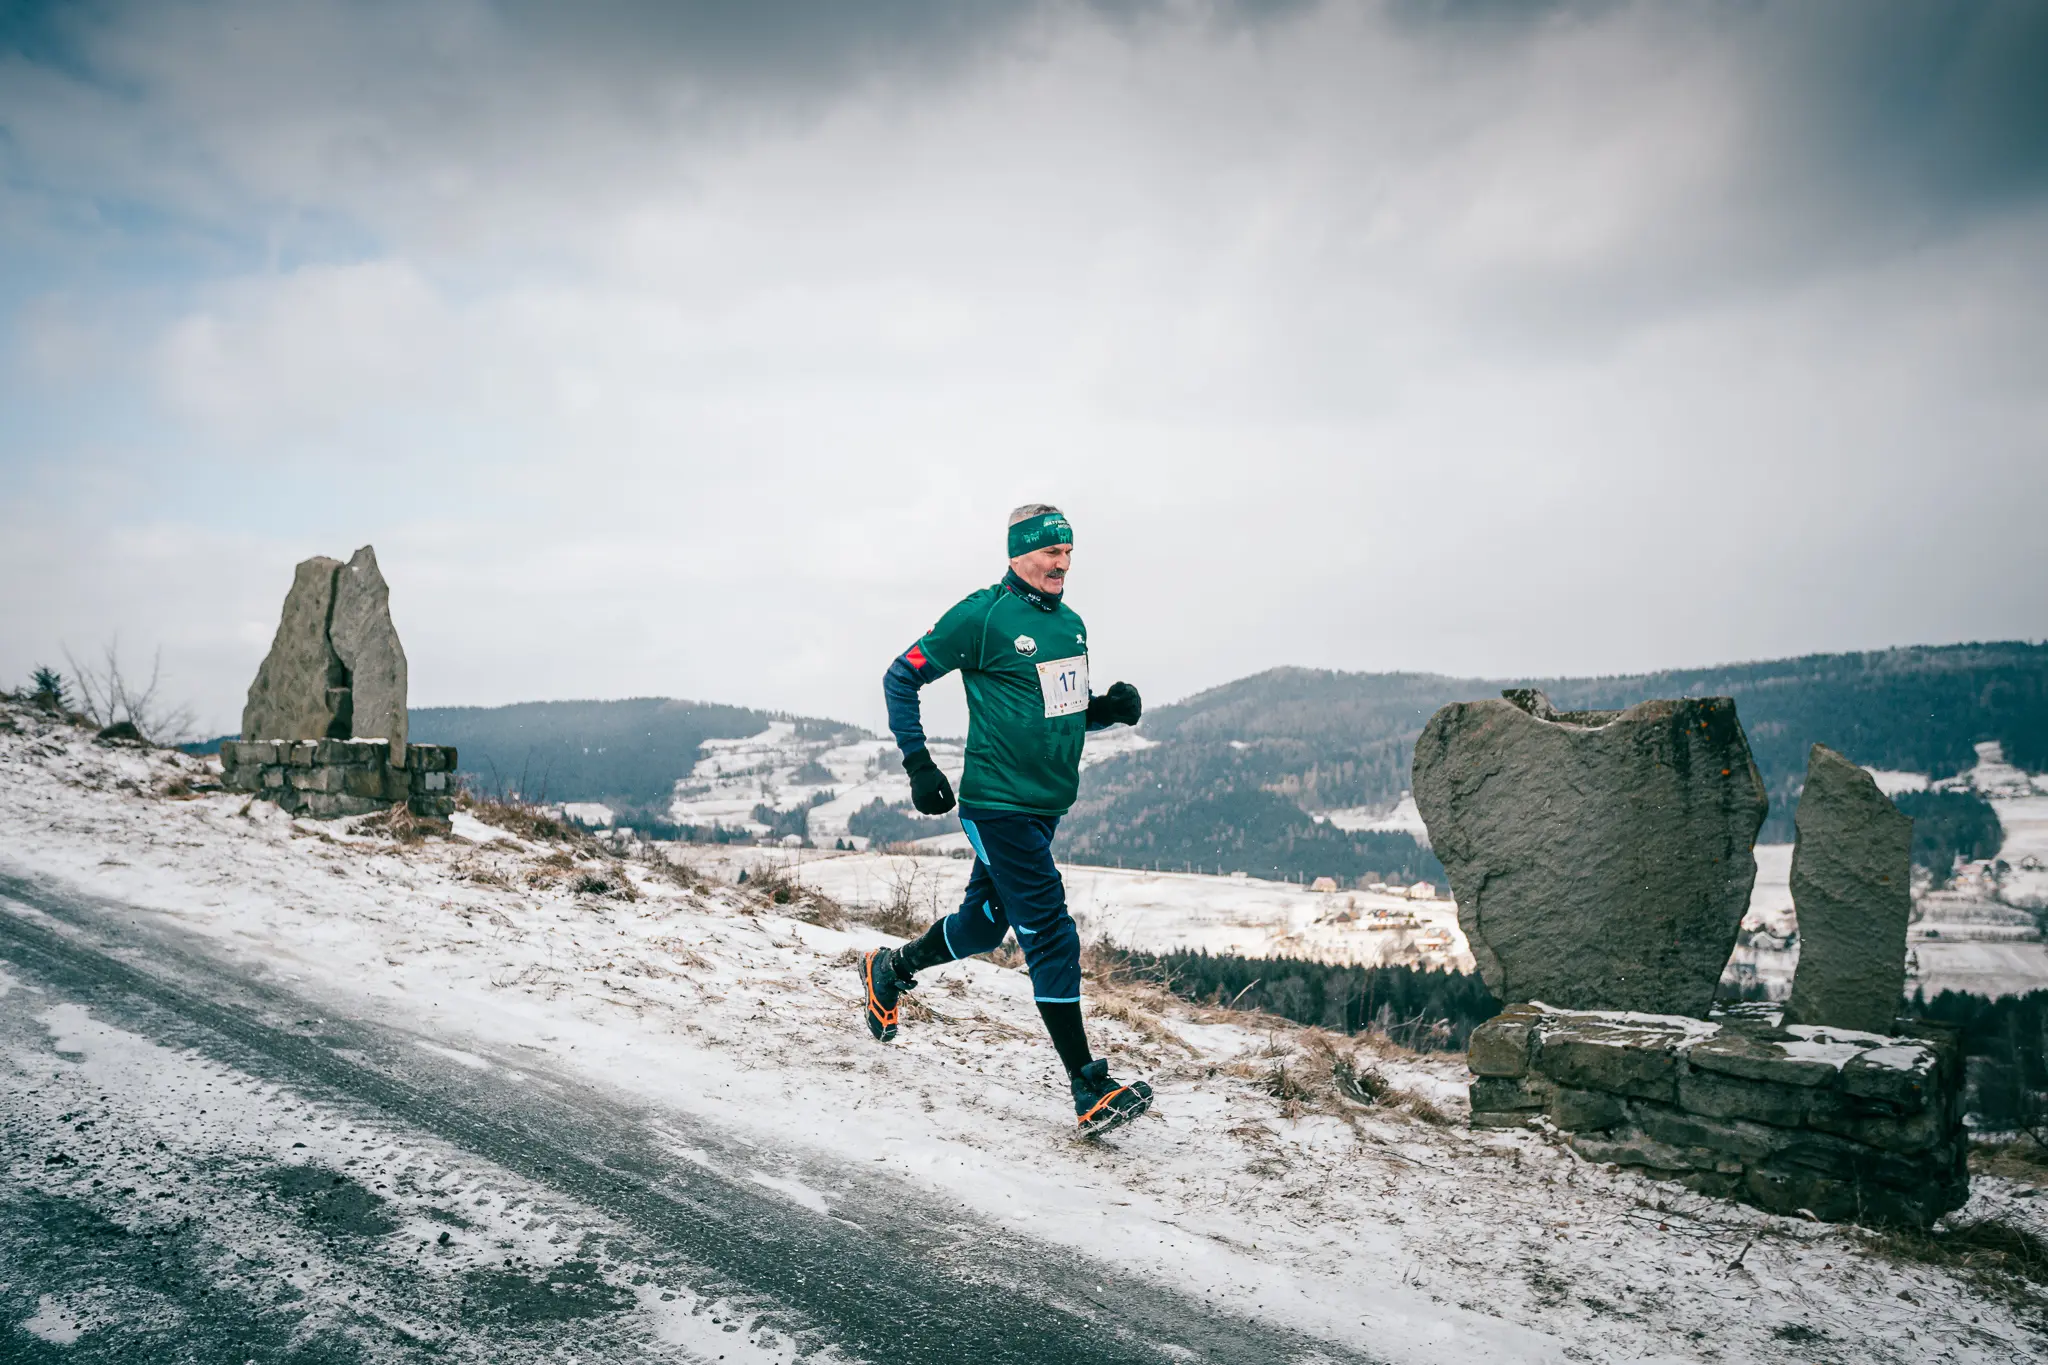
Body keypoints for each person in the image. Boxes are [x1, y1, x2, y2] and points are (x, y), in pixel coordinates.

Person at [863, 503, 1152, 1136]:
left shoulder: (1071, 625)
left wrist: (1107, 710)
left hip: (1046, 807)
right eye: (1052, 552)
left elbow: (1060, 710)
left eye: (1069, 552)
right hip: (997, 805)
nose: (1063, 563)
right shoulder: (982, 616)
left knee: (983, 925)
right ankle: (1088, 1085)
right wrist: (918, 763)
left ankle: (892, 969)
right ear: (1019, 553)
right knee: (1050, 932)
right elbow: (901, 677)